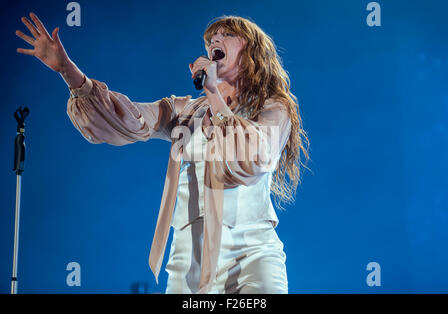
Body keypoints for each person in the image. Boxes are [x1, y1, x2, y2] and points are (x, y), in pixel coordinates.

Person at [16, 12, 310, 294]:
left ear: (252, 53)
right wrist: (68, 69)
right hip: (189, 255)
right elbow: (128, 118)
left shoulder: (272, 108)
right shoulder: (188, 112)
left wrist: (213, 94)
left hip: (252, 252)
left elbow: (255, 155)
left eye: (228, 34)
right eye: (211, 38)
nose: (215, 40)